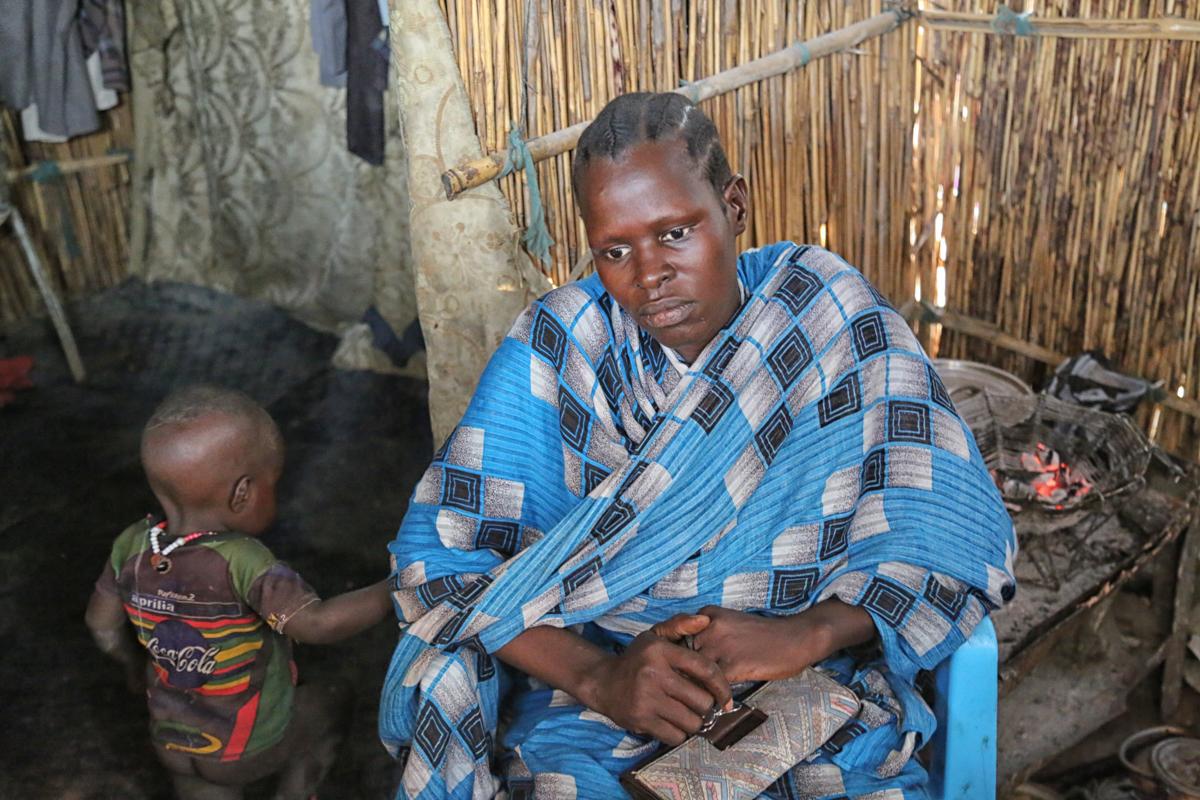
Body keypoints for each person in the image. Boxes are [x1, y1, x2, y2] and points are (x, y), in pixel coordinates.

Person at [379, 92, 1016, 799]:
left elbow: (949, 533)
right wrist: (600, 677)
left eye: (675, 233)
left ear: (734, 206)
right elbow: (439, 564)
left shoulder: (826, 314)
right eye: (615, 250)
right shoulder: (560, 349)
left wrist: (809, 633)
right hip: (593, 699)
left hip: (806, 689)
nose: (648, 274)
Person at [85, 385, 395, 800]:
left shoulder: (131, 546)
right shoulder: (242, 560)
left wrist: (130, 666)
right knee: (331, 701)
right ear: (242, 493)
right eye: (273, 483)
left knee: (203, 788)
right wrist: (397, 587)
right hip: (245, 747)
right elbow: (316, 624)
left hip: (173, 741)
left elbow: (101, 625)